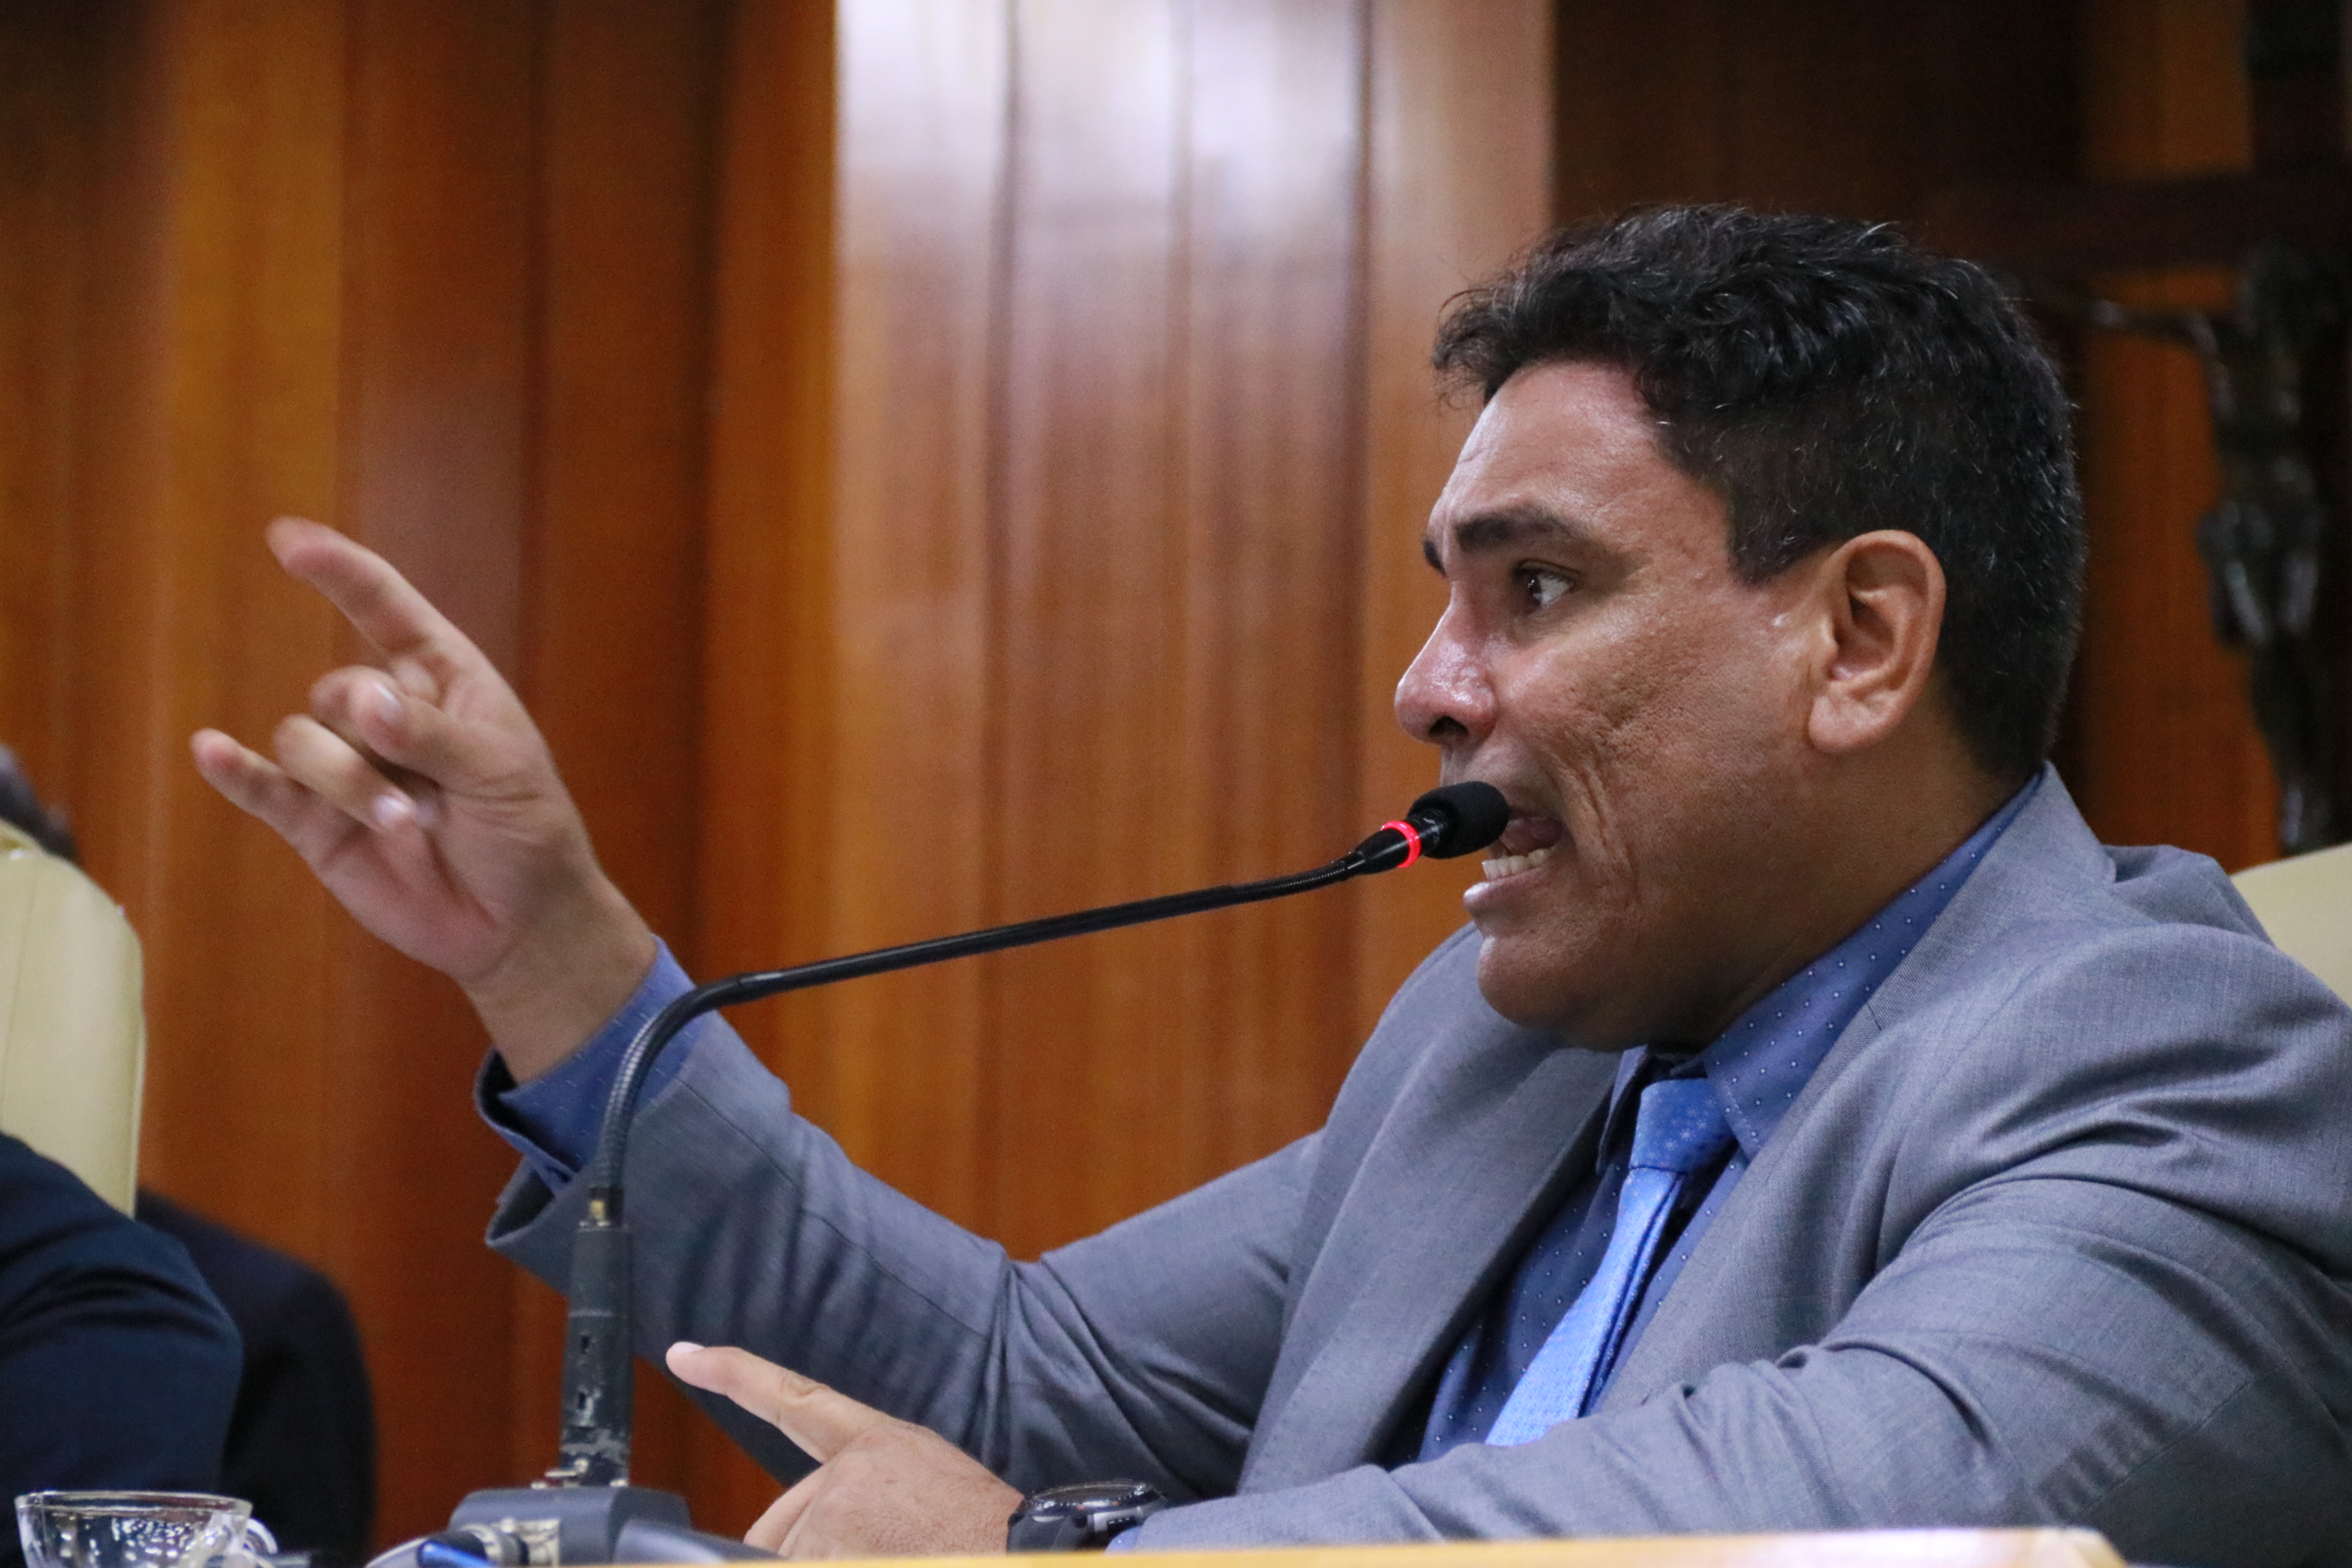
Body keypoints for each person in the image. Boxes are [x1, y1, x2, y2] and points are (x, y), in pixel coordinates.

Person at [190, 208, 2352, 1566]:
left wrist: (1053, 1566)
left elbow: (1864, 1518)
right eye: (1447, 595)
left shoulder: (2178, 1060)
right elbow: (1015, 1388)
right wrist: (559, 961)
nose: (1428, 687)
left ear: (1861, 640)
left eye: (1536, 588)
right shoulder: (1498, 1052)